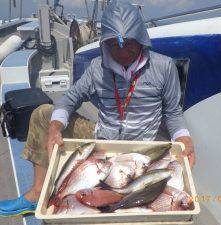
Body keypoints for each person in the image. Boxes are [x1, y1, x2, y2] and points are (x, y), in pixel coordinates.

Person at [0, 0, 195, 217]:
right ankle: (36, 194)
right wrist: (55, 128)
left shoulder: (164, 66)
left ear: (141, 39)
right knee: (43, 113)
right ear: (106, 43)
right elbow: (69, 99)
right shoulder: (96, 68)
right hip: (103, 137)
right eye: (114, 44)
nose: (122, 51)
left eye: (129, 43)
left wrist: (183, 137)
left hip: (145, 143)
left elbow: (173, 112)